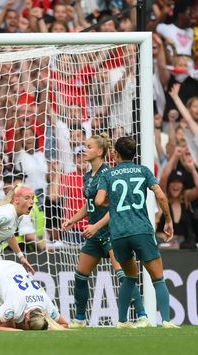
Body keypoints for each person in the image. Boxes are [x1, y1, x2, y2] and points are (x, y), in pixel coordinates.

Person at [62, 134, 148, 328]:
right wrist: (72, 220)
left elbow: (114, 207)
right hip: (94, 235)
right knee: (80, 275)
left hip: (111, 232)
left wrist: (96, 226)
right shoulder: (87, 175)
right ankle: (80, 319)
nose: (84, 149)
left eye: (89, 146)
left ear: (100, 152)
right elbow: (89, 205)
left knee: (125, 275)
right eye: (85, 146)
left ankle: (142, 315)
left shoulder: (109, 174)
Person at [95, 136, 178, 328]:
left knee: (130, 276)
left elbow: (99, 202)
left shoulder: (108, 174)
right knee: (157, 278)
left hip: (119, 233)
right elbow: (161, 196)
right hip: (141, 230)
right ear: (134, 153)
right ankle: (165, 320)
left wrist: (112, 203)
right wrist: (168, 220)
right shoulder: (143, 171)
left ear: (116, 154)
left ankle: (122, 321)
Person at [0, 260, 69, 331]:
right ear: (27, 317)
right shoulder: (15, 305)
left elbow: (65, 324)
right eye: (29, 328)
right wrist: (17, 330)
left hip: (13, 268)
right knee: (5, 326)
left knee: (8, 321)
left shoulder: (47, 308)